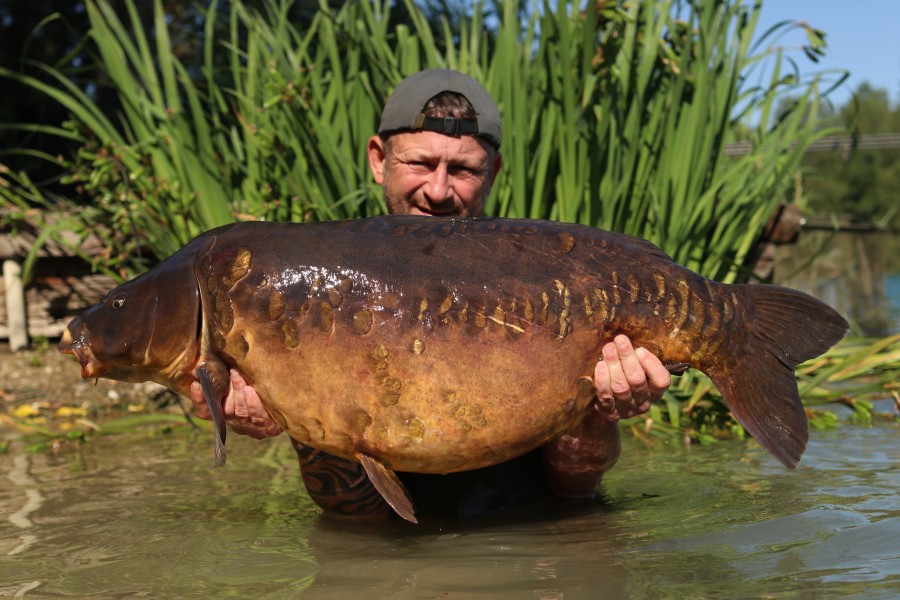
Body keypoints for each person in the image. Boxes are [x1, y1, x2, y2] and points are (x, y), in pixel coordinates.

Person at [191, 69, 671, 519]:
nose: (438, 191)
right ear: (379, 159)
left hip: (539, 547)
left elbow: (573, 496)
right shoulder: (321, 289)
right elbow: (354, 517)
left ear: (494, 171)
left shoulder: (547, 282)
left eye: (462, 169)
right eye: (420, 163)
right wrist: (297, 415)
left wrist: (599, 412)